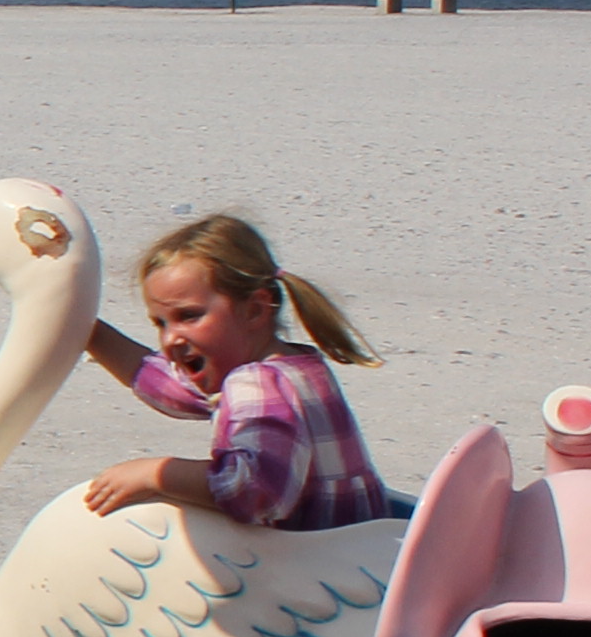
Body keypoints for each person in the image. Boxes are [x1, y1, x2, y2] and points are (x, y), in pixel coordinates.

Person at [80, 211, 391, 528]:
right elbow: (170, 387)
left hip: (319, 557)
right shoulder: (295, 367)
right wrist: (90, 333)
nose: (170, 338)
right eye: (161, 323)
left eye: (189, 316)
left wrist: (156, 473)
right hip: (363, 545)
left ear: (255, 310)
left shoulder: (257, 383)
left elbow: (255, 490)